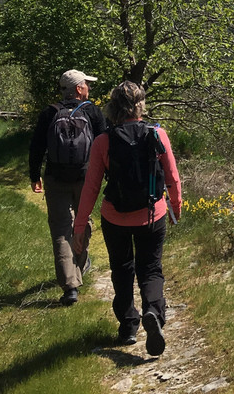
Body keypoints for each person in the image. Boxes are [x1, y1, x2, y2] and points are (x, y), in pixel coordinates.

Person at [73, 81, 181, 355]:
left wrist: (79, 225)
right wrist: (175, 209)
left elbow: (91, 186)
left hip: (115, 217)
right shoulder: (157, 134)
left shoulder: (103, 141)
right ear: (140, 105)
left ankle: (128, 325)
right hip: (151, 214)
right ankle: (153, 312)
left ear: (112, 107)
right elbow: (172, 178)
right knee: (151, 269)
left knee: (121, 270)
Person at [29, 68, 107, 306]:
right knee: (83, 223)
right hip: (86, 177)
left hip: (55, 177)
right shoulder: (92, 111)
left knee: (62, 230)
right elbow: (105, 144)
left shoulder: (50, 112)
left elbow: (37, 146)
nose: (89, 88)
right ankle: (78, 267)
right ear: (78, 89)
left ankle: (70, 287)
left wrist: (34, 175)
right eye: (86, 84)